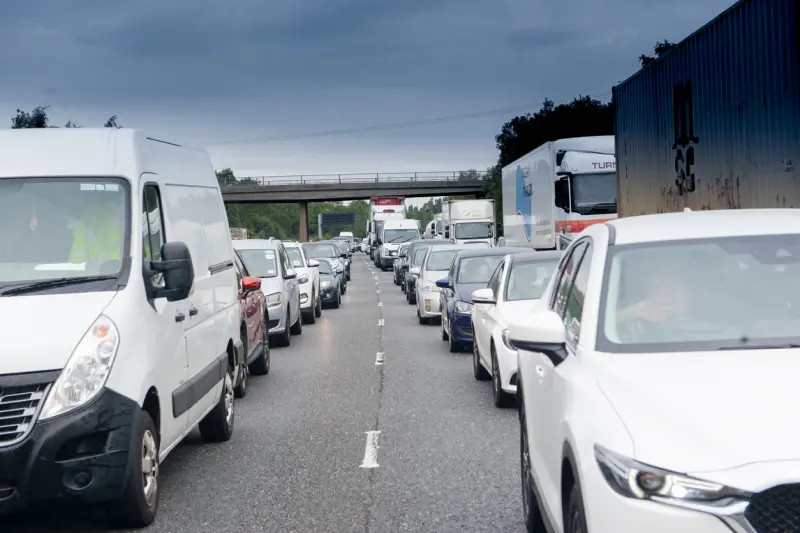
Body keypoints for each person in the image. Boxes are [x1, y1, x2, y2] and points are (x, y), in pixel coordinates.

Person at [69, 194, 124, 267]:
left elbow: (75, 263)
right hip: (109, 271)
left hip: (92, 272)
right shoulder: (116, 217)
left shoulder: (78, 224)